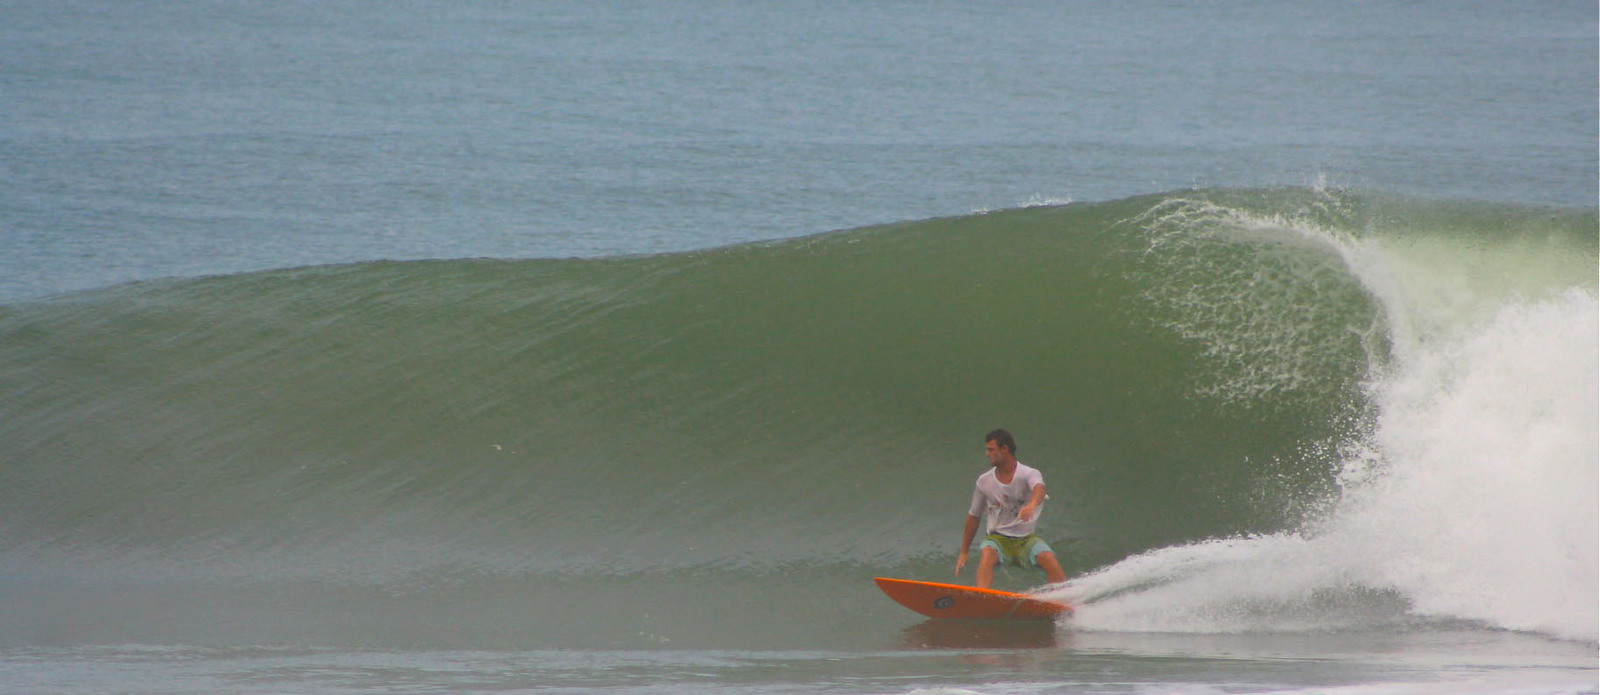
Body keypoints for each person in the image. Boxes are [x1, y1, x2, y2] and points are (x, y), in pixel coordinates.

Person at [955, 429, 1068, 589]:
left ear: (1005, 449)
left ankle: (1062, 600)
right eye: (987, 450)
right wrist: (964, 551)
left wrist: (1031, 505)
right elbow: (974, 516)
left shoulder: (1028, 473)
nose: (987, 454)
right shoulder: (984, 481)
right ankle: (982, 596)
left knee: (1048, 558)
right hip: (997, 538)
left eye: (991, 449)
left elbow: (1039, 488)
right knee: (987, 554)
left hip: (1026, 539)